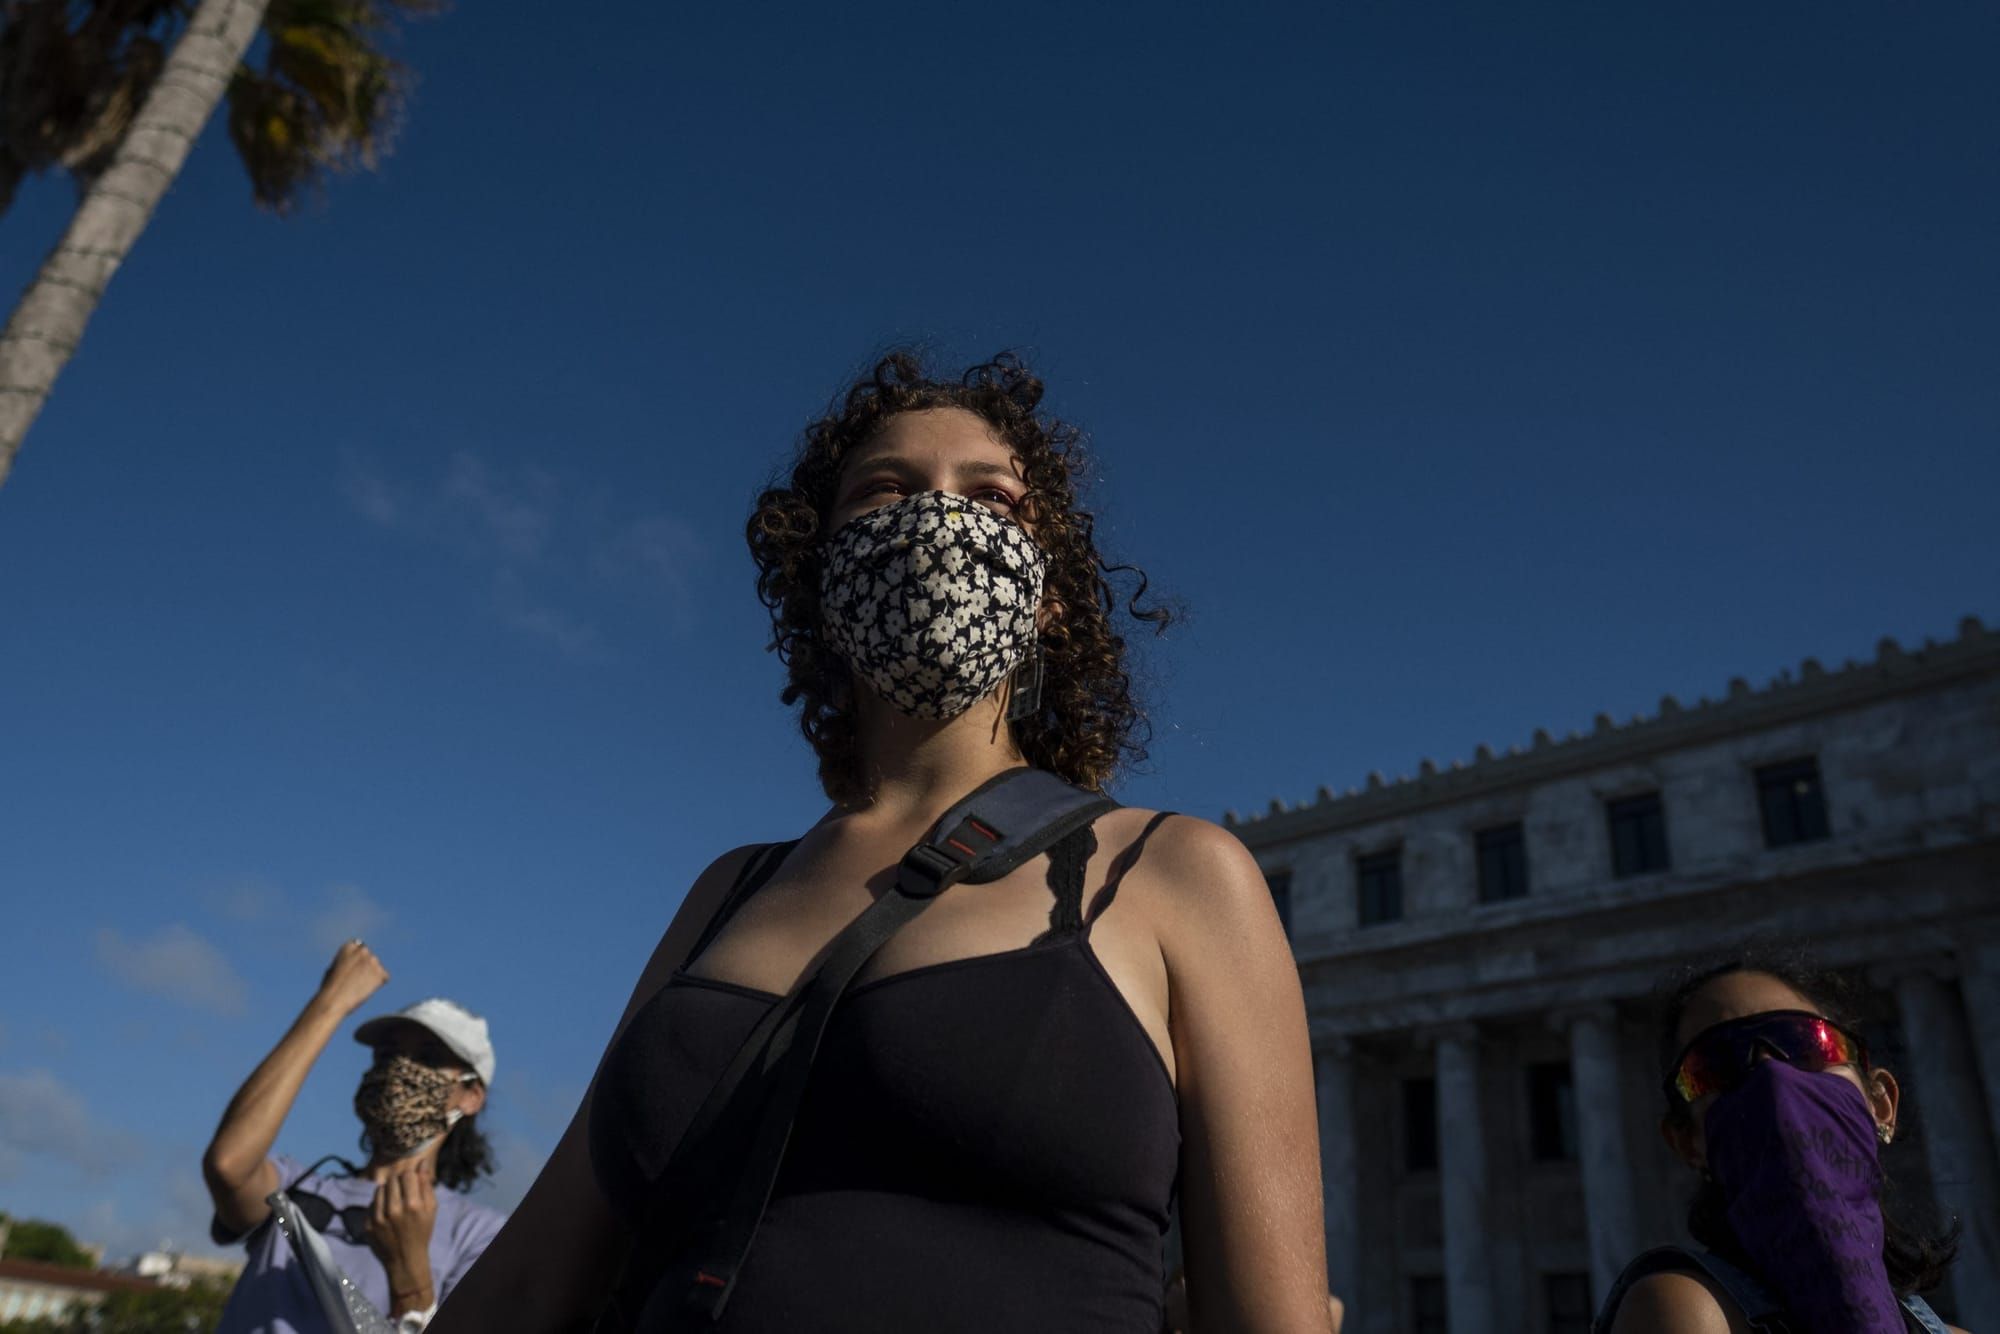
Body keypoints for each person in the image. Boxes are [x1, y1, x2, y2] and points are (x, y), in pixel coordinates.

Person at [429, 352, 1335, 1333]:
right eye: (885, 488)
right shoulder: (729, 888)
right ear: (819, 573)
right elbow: (526, 1285)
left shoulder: (1170, 873)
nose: (937, 517)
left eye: (990, 495)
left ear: (1051, 597)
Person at [1596, 949, 1971, 1334]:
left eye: (1806, 1041)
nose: (1771, 1073)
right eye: (1717, 1063)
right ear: (1688, 1142)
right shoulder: (1685, 1311)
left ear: (1880, 1102)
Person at [204, 940, 508, 1333]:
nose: (401, 1068)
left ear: (471, 1096)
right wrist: (330, 1004)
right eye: (387, 1055)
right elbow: (228, 1165)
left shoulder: (478, 1235)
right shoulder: (295, 1186)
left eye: (429, 1059)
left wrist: (411, 1284)